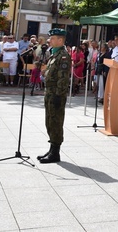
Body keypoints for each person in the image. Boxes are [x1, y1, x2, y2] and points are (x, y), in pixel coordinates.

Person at [38, 28, 71, 164]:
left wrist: (58, 95)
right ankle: (52, 148)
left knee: (56, 122)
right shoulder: (54, 54)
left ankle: (55, 152)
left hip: (56, 95)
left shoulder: (63, 56)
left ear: (60, 40)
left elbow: (62, 79)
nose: (49, 40)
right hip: (50, 93)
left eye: (52, 38)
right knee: (49, 122)